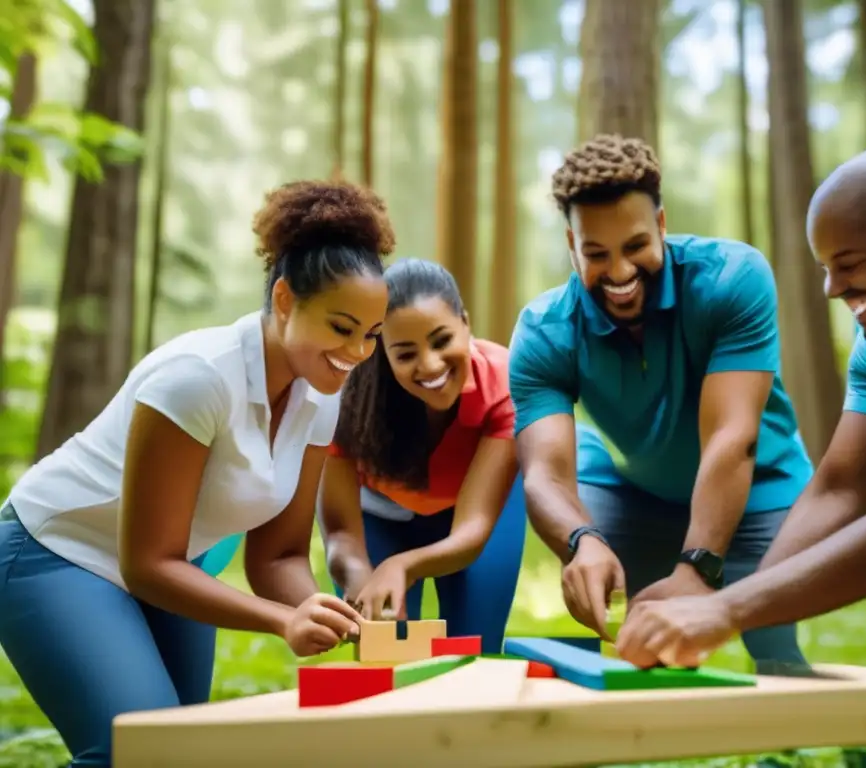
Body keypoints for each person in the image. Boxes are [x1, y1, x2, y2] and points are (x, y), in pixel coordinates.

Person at [615, 119, 866, 750]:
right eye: (825, 268)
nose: (833, 289)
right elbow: (839, 491)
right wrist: (729, 603)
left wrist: (722, 611)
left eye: (850, 265)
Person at [0, 178, 394, 767]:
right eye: (342, 328)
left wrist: (328, 615)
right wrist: (284, 620)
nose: (358, 353)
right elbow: (146, 563)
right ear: (285, 300)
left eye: (371, 335)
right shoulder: (198, 378)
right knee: (134, 750)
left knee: (184, 752)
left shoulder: (321, 393)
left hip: (171, 567)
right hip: (56, 549)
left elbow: (278, 556)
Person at [507, 133, 813, 671]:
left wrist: (697, 567)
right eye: (596, 253)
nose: (621, 273)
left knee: (772, 646)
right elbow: (544, 476)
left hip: (758, 483)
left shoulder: (731, 279)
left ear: (663, 226)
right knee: (641, 647)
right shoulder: (543, 331)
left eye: (635, 246)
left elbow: (731, 438)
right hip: (634, 492)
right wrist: (581, 542)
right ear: (571, 245)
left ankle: (855, 754)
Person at [320, 258, 524, 654]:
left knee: (473, 647)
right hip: (379, 515)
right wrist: (360, 573)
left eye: (442, 339)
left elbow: (472, 532)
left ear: (465, 323)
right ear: (382, 349)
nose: (430, 364)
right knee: (386, 650)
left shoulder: (504, 383)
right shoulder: (344, 396)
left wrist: (403, 566)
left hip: (474, 513)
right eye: (406, 353)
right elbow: (341, 531)